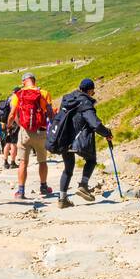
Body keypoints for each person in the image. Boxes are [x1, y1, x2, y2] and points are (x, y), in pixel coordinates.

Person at [53, 78, 113, 208]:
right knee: (91, 160)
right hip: (79, 140)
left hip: (63, 139)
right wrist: (107, 133)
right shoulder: (85, 102)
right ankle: (84, 185)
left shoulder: (68, 99)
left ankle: (62, 199)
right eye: (93, 91)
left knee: (68, 169)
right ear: (90, 90)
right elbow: (94, 123)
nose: (93, 93)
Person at [6, 72, 54, 200]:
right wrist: (54, 124)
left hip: (25, 132)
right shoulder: (43, 93)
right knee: (42, 161)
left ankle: (21, 191)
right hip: (41, 131)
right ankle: (44, 187)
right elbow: (49, 112)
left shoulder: (18, 94)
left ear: (23, 82)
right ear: (34, 81)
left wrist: (9, 126)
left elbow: (12, 114)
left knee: (23, 162)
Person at [0, 85, 20, 169]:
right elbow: (14, 114)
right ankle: (13, 162)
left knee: (7, 143)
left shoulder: (8, 99)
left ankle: (5, 161)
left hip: (6, 123)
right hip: (13, 123)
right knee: (14, 143)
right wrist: (19, 124)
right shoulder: (16, 99)